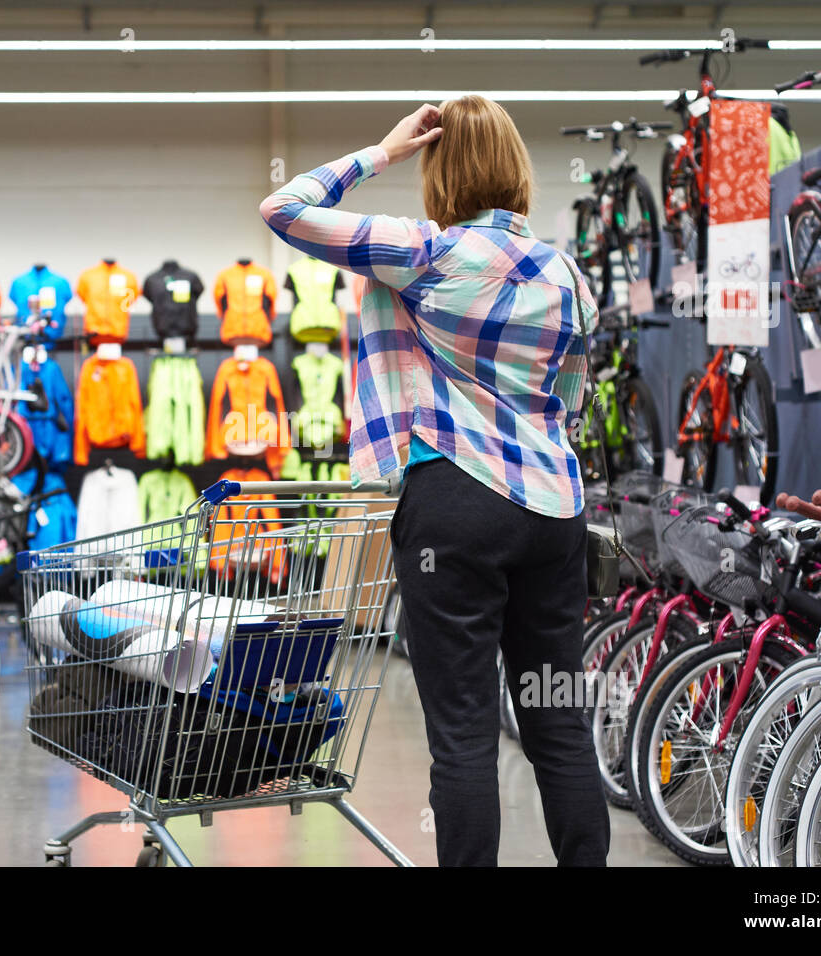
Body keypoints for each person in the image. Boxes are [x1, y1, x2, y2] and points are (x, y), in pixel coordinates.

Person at [260, 95, 609, 866]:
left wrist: (382, 151)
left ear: (440, 173)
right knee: (558, 724)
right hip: (554, 509)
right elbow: (574, 397)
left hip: (454, 502)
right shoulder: (568, 273)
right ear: (517, 171)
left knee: (464, 735)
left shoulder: (421, 251)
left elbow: (283, 208)